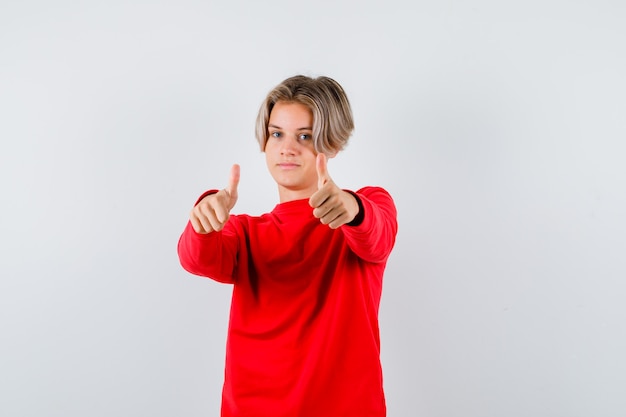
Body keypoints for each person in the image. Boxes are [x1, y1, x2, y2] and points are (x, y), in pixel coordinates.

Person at [177, 75, 398, 417]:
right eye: (277, 133)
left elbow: (376, 236)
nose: (287, 148)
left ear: (334, 143)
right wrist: (205, 217)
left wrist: (351, 210)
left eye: (305, 136)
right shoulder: (244, 233)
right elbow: (196, 258)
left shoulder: (368, 206)